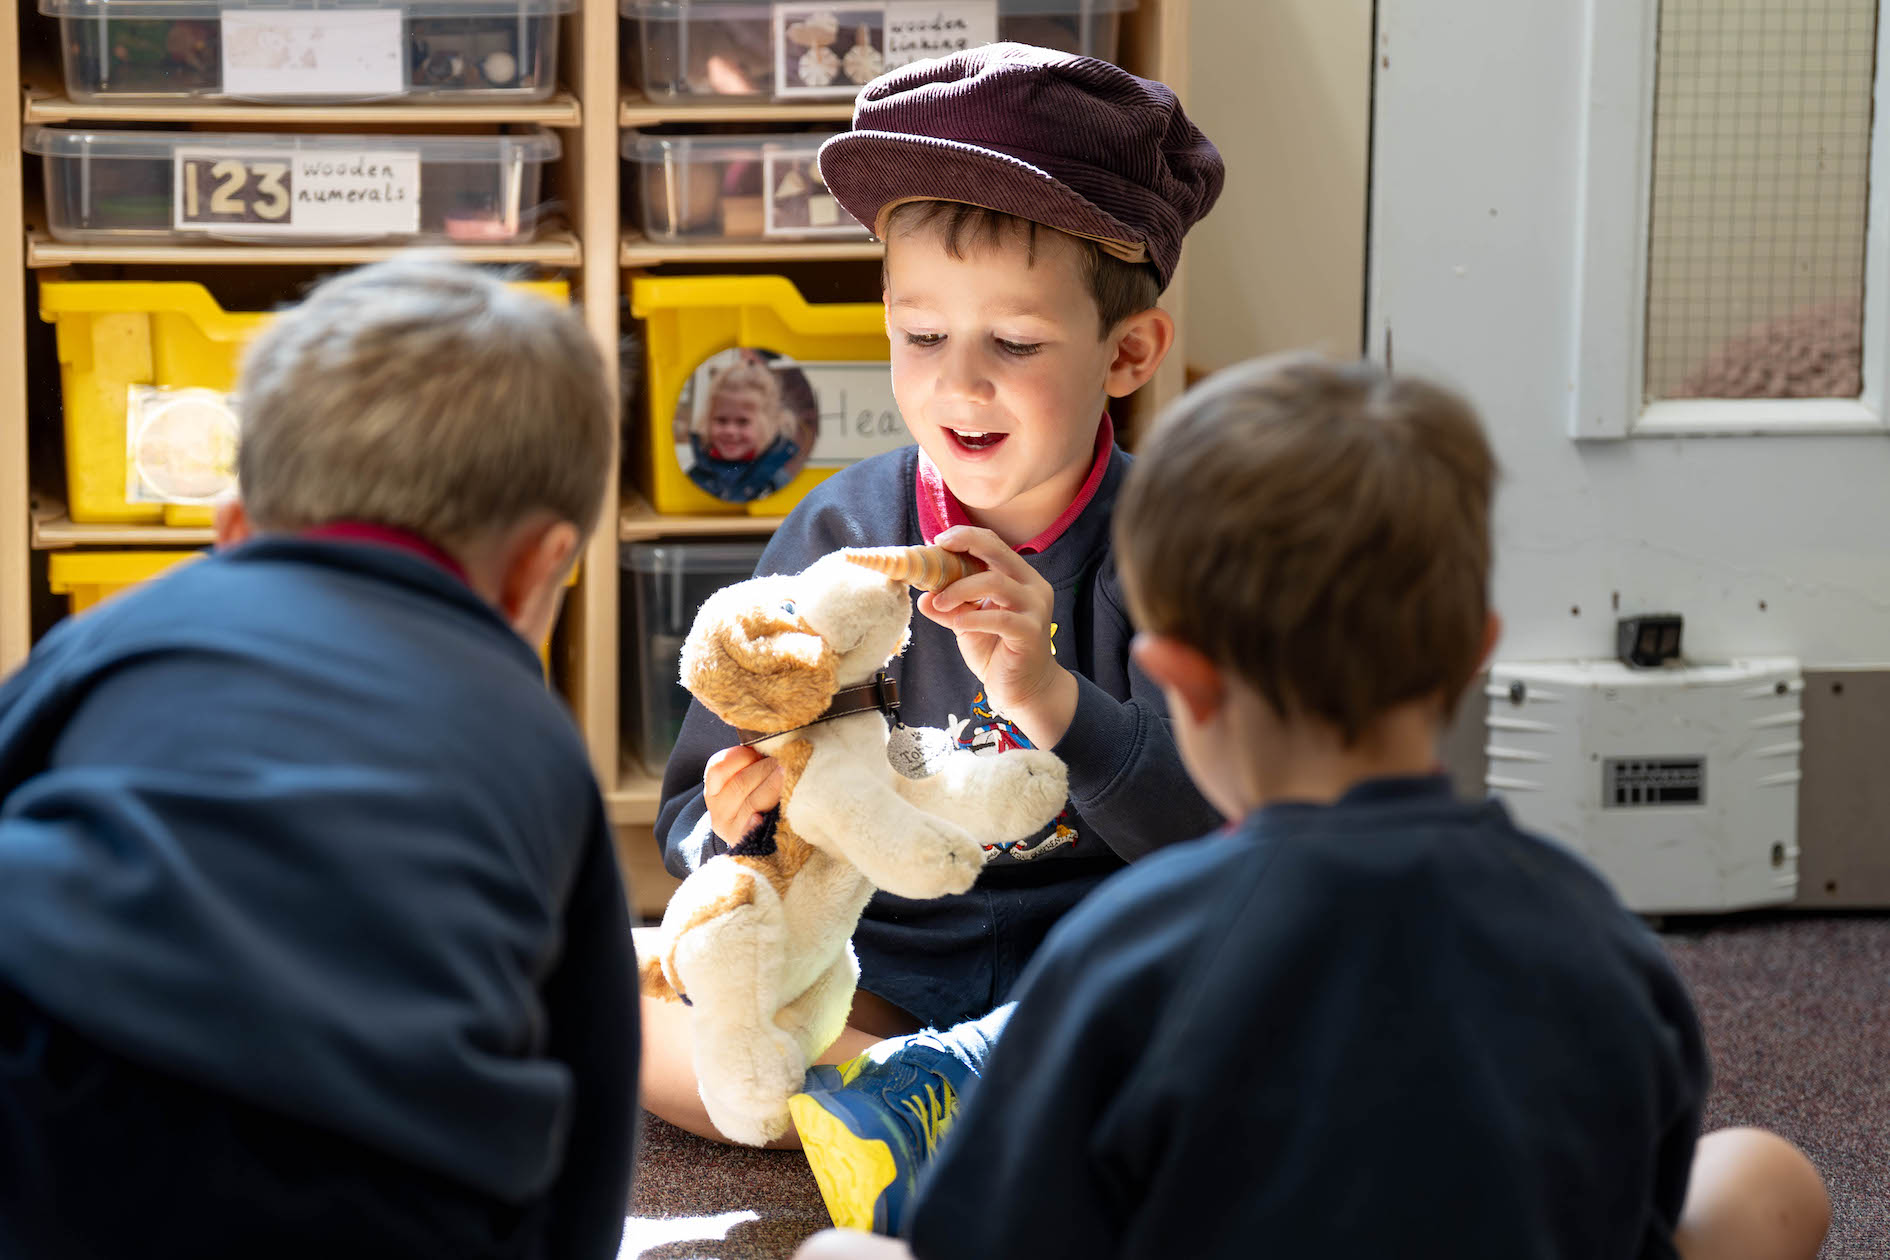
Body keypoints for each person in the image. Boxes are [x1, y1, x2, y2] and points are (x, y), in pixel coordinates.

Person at [791, 355, 1833, 1260]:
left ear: (1181, 684)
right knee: (1765, 1177)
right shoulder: (1598, 933)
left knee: (841, 1252)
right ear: (1474, 651)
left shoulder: (1125, 954)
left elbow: (1000, 1235)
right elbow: (1626, 1194)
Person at [645, 39, 1226, 1165]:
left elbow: (1216, 839)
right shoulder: (838, 536)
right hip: (876, 968)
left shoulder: (1176, 548)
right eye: (921, 336)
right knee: (618, 988)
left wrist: (1050, 694)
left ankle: (922, 1107)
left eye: (1013, 341)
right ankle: (926, 1100)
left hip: (1092, 973)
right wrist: (738, 821)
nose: (960, 382)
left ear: (1130, 352)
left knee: (1281, 987)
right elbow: (688, 818)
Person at [0, 255, 638, 1260]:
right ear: (536, 568)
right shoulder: (536, 738)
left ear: (232, 529)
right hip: (395, 1180)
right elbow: (596, 1087)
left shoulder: (115, 634)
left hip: (52, 1098)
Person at [685, 349, 807, 503]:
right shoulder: (696, 475)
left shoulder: (776, 480)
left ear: (766, 425)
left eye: (743, 422)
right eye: (721, 420)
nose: (730, 430)